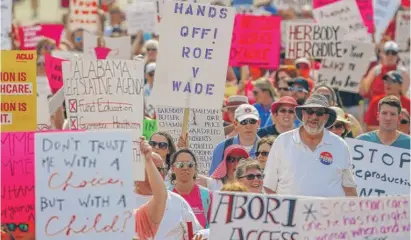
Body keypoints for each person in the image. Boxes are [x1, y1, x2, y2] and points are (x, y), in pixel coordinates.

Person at [263, 94, 358, 197]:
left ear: (326, 117)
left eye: (319, 113)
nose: (314, 116)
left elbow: (349, 188)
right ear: (303, 113)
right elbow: (268, 187)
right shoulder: (282, 141)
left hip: (328, 212)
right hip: (291, 212)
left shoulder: (340, 145)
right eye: (310, 111)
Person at [135, 145, 203, 239]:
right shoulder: (121, 202)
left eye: (163, 169)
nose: (161, 174)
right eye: (157, 169)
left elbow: (193, 233)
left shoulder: (178, 202)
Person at [209, 104, 261, 175]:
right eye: (244, 122)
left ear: (258, 123)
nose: (248, 126)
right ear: (235, 124)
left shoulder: (268, 148)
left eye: (252, 121)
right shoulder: (221, 148)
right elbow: (213, 181)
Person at [169, 149, 212, 229]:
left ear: (195, 168)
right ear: (172, 168)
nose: (185, 168)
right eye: (180, 164)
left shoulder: (208, 196)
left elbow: (214, 228)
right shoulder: (165, 196)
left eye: (190, 164)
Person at [134, 138, 167, 240]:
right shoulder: (119, 201)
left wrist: (148, 160)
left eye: (161, 169)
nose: (159, 173)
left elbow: (160, 197)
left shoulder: (139, 217)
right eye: (154, 169)